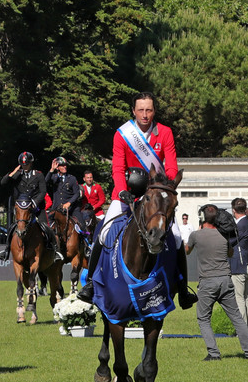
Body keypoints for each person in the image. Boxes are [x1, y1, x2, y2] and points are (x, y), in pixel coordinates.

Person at [78, 92, 197, 309]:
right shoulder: (122, 134)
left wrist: (167, 186)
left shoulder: (165, 133)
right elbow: (117, 167)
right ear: (133, 110)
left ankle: (182, 288)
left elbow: (171, 165)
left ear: (154, 111)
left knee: (178, 237)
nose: (145, 115)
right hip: (127, 192)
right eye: (140, 110)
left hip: (156, 193)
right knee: (104, 232)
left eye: (149, 110)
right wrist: (122, 191)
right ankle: (91, 284)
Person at [186, 205, 248, 361]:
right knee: (237, 318)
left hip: (207, 283)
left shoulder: (195, 236)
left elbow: (187, 250)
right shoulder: (223, 235)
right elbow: (230, 253)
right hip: (225, 280)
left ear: (202, 218)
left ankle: (214, 353)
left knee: (203, 318)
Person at [0, 152, 60, 261]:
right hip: (22, 209)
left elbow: (43, 191)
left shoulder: (38, 174)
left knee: (46, 227)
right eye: (23, 164)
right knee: (12, 228)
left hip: (36, 207)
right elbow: (3, 183)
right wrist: (12, 173)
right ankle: (6, 250)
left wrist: (34, 203)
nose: (25, 166)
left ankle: (54, 249)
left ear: (31, 164)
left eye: (27, 164)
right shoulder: (17, 174)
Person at [45, 156, 88, 252]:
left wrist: (69, 203)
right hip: (57, 209)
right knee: (46, 225)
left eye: (65, 165)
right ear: (57, 167)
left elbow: (77, 193)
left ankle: (86, 247)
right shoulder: (53, 177)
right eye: (62, 165)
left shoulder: (71, 178)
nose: (65, 167)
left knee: (82, 225)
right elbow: (45, 182)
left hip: (72, 208)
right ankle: (49, 247)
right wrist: (51, 170)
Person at [229, 197, 248, 330]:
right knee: (245, 298)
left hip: (240, 265)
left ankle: (243, 329)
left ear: (234, 210)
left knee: (240, 298)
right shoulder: (247, 223)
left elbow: (230, 241)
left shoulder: (241, 225)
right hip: (246, 264)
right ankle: (247, 327)